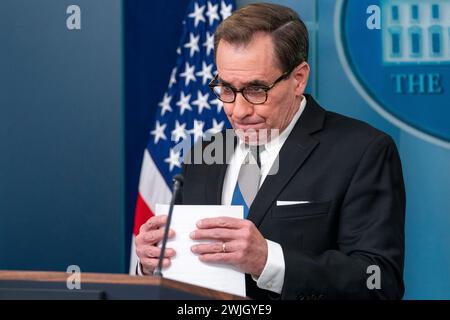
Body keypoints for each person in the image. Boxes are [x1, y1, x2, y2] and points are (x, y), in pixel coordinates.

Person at [135, 3, 405, 300]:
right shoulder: (204, 153)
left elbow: (379, 282)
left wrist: (269, 261)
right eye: (226, 88)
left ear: (299, 78)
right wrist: (153, 265)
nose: (238, 110)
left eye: (256, 90)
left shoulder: (363, 151)